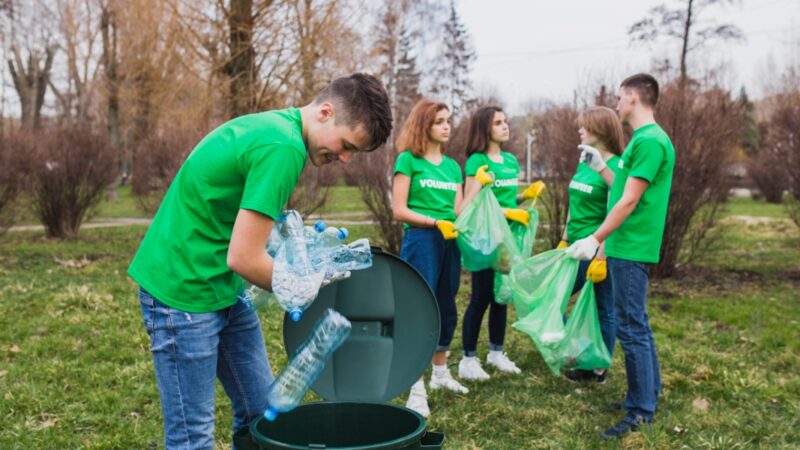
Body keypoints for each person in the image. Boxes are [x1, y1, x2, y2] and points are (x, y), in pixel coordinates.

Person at [128, 73, 393, 449]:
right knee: (193, 437)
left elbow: (240, 225)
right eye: (347, 144)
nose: (346, 159)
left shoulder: (281, 131)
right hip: (182, 292)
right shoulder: (283, 147)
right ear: (326, 112)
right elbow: (243, 257)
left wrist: (295, 246)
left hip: (219, 283)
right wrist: (303, 285)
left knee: (263, 413)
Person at [566, 73, 675, 439]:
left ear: (632, 97)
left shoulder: (651, 142)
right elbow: (620, 189)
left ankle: (640, 410)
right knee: (636, 324)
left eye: (619, 97)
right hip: (623, 245)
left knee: (631, 330)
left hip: (631, 246)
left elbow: (630, 201)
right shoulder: (641, 141)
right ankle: (645, 395)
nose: (615, 104)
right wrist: (601, 167)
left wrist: (596, 237)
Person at [456, 105, 545, 381]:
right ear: (485, 128)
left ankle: (496, 353)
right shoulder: (476, 161)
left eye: (505, 121)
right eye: (498, 123)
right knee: (481, 295)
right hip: (485, 238)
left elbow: (505, 199)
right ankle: (467, 360)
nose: (505, 126)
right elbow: (472, 205)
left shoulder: (509, 161)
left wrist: (524, 199)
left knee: (501, 296)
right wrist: (507, 212)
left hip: (507, 238)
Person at [391, 99, 467, 418]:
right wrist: (434, 222)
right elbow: (398, 209)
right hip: (422, 238)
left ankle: (440, 374)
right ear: (424, 126)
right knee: (420, 307)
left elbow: (460, 211)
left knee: (446, 305)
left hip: (451, 239)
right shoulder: (409, 160)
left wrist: (482, 190)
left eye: (448, 120)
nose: (446, 125)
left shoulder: (452, 167)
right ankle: (416, 386)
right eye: (439, 121)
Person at [557, 106, 625, 384]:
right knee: (556, 299)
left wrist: (602, 255)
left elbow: (616, 212)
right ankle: (575, 352)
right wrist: (563, 238)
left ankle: (598, 368)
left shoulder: (616, 167)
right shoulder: (585, 162)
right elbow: (574, 204)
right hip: (574, 247)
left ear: (600, 130)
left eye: (584, 127)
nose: (580, 131)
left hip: (596, 248)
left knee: (603, 308)